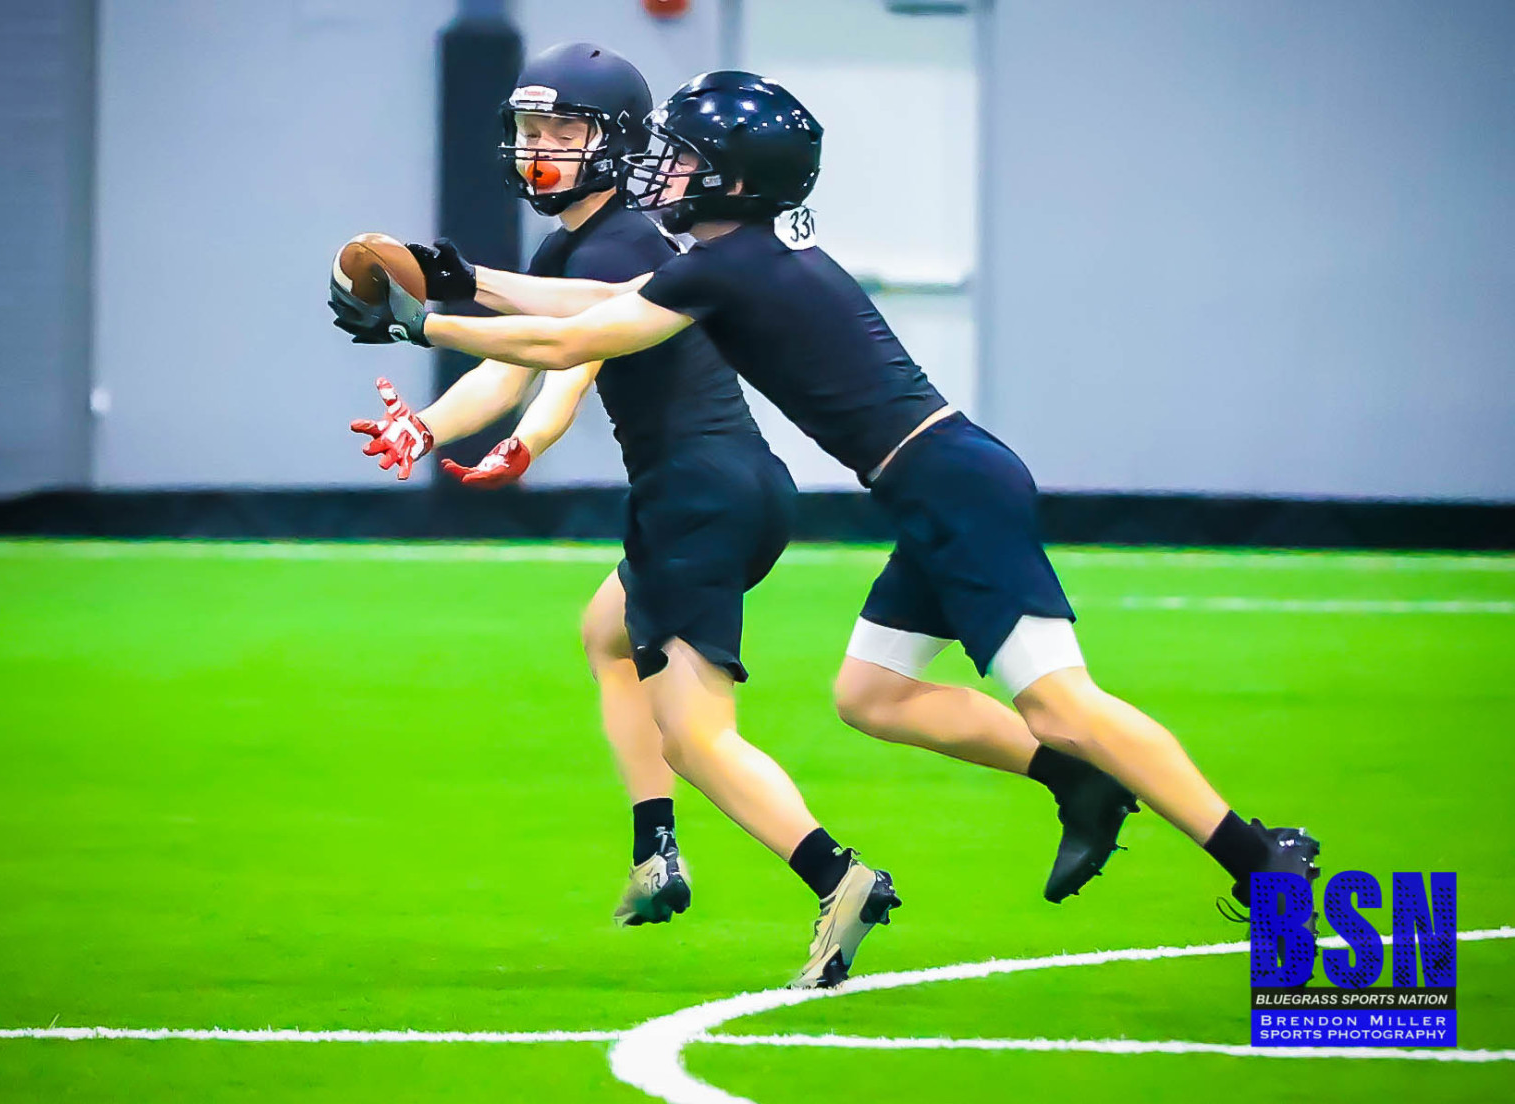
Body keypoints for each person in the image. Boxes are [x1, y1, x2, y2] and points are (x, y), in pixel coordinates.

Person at [331, 69, 1320, 929]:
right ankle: (1080, 782)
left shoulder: (724, 267)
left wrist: (422, 326)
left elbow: (570, 339)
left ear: (730, 179)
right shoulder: (732, 261)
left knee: (1061, 701)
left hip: (954, 489)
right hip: (934, 485)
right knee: (871, 697)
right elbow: (592, 306)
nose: (661, 171)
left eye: (683, 158)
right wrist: (460, 279)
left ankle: (1255, 855)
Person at [333, 44, 899, 987]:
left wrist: (438, 328)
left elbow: (570, 343)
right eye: (530, 129)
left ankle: (840, 877)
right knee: (606, 630)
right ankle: (655, 849)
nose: (540, 148)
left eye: (564, 131)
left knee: (697, 736)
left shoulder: (622, 243)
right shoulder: (583, 244)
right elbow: (524, 362)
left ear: (618, 143)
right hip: (731, 487)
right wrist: (426, 429)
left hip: (694, 499)